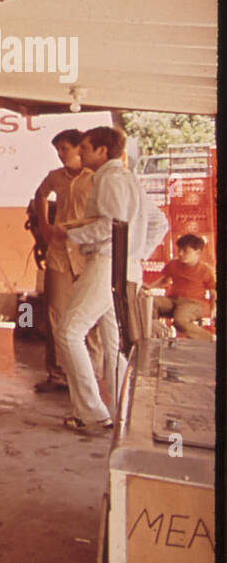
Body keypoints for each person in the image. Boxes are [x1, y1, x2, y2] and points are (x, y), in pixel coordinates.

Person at [51, 126, 168, 432]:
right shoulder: (127, 178)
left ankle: (92, 412)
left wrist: (70, 232)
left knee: (68, 332)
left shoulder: (111, 179)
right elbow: (158, 222)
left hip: (107, 264)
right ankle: (120, 414)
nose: (80, 153)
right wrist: (136, 254)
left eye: (85, 148)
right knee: (113, 344)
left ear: (103, 151)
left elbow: (112, 227)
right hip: (123, 265)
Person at [31, 130, 102, 393]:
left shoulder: (95, 177)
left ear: (78, 149)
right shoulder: (55, 177)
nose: (61, 154)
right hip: (60, 253)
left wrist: (68, 227)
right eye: (57, 149)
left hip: (86, 252)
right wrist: (44, 226)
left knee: (89, 313)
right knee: (55, 313)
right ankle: (57, 373)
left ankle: (91, 373)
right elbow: (40, 195)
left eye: (64, 148)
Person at [146, 233, 215, 339]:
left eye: (185, 251)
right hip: (173, 300)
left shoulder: (205, 271)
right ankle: (158, 334)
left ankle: (209, 339)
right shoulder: (173, 264)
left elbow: (213, 293)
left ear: (198, 252)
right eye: (179, 250)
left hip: (194, 304)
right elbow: (165, 281)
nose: (180, 253)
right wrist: (149, 287)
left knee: (180, 319)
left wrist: (213, 310)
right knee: (151, 303)